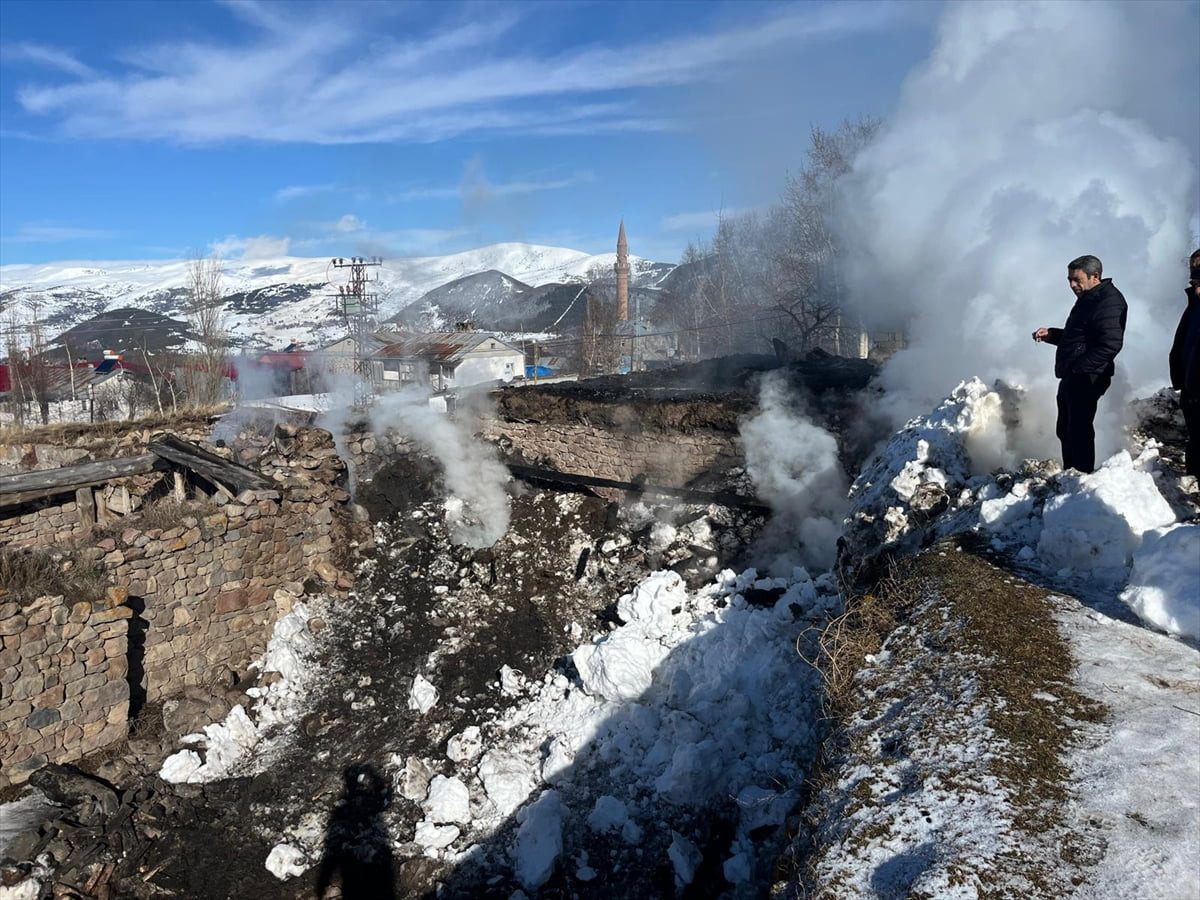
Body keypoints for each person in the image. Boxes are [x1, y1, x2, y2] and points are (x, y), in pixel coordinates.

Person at [1032, 254, 1128, 473]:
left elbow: (1110, 344)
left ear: (1095, 276)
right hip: (1075, 373)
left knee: (1078, 428)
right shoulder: (1090, 298)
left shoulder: (1109, 301)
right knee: (1066, 428)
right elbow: (1080, 338)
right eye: (1069, 280)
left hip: (1088, 375)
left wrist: (1079, 368)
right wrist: (1052, 335)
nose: (1072, 285)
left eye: (1076, 279)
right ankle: (1071, 474)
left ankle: (1081, 476)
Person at [1169, 248, 1200, 477]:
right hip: (1192, 391)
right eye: (1194, 279)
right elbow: (1183, 346)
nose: (1197, 288)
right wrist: (1181, 381)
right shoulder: (1193, 307)